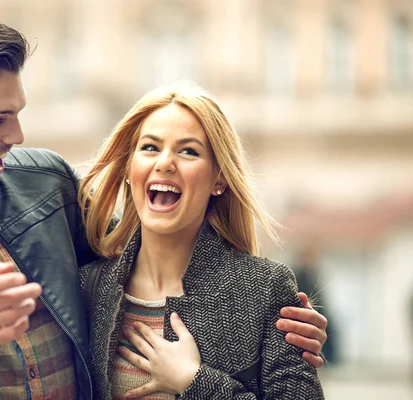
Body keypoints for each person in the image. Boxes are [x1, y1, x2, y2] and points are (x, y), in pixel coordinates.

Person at [0, 9, 326, 400]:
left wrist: (271, 315)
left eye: (17, 113)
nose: (17, 135)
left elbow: (147, 238)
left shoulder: (44, 180)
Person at [78, 82, 325, 399]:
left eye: (188, 151)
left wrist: (194, 381)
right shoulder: (88, 288)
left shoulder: (265, 288)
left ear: (219, 179)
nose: (165, 162)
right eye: (150, 147)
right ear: (129, 168)